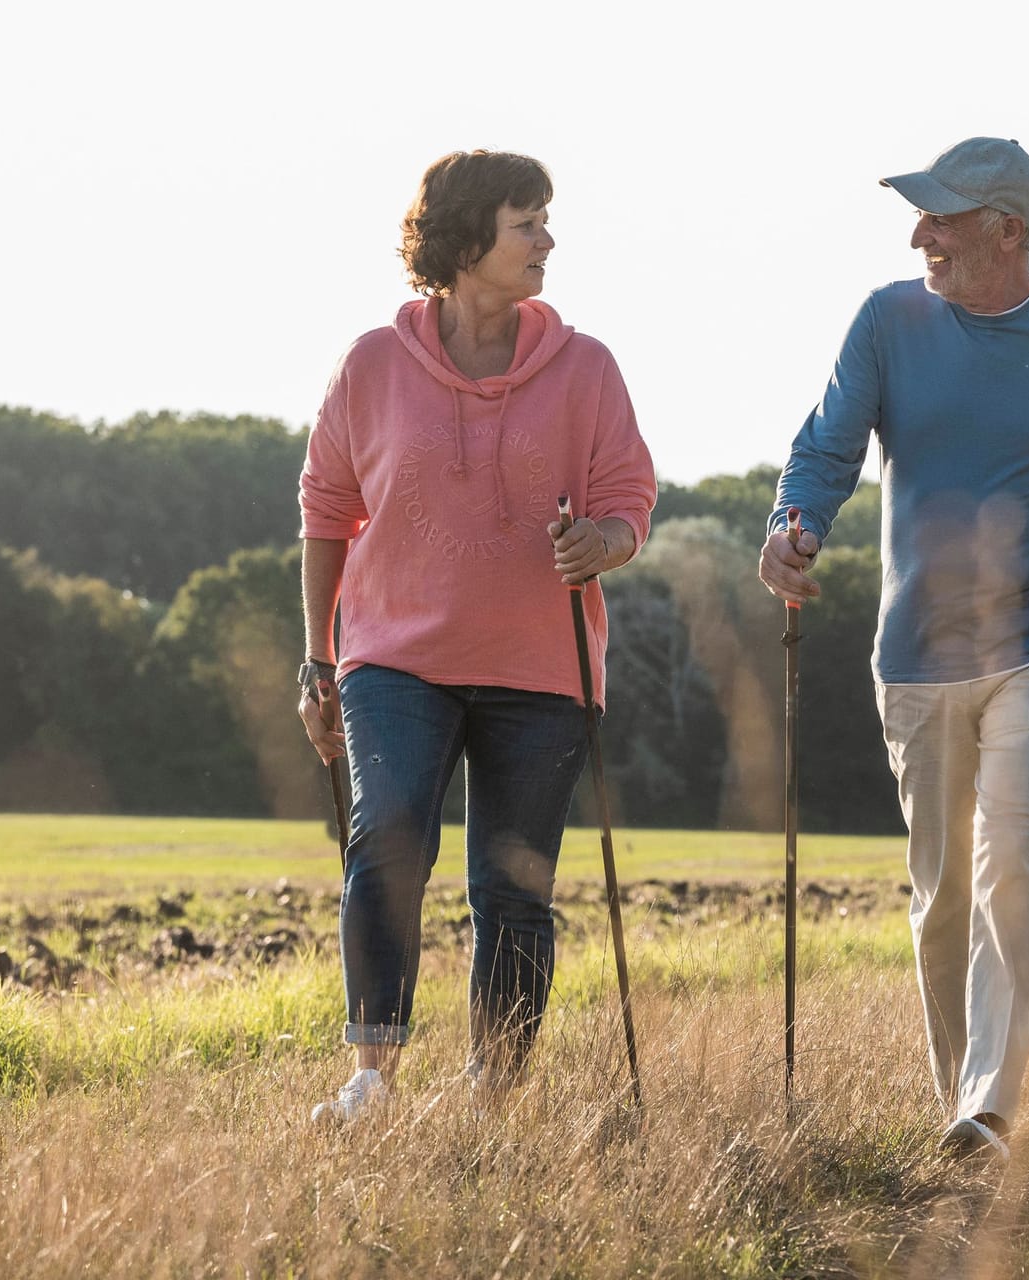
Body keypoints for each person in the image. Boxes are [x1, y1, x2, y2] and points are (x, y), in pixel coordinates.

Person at [758, 137, 1029, 1160]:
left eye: (939, 218)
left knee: (1009, 859)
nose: (919, 235)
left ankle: (991, 1103)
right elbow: (826, 443)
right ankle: (960, 1100)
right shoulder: (887, 320)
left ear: (1004, 228)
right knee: (941, 891)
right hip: (918, 653)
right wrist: (795, 519)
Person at [296, 150, 656, 1123]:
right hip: (394, 655)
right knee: (390, 832)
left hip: (542, 666)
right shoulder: (374, 362)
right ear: (465, 241)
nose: (546, 240)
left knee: (513, 884)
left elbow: (629, 496)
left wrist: (604, 540)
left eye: (544, 221)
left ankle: (494, 1090)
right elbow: (327, 509)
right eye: (525, 222)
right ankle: (372, 1070)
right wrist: (319, 659)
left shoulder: (584, 367)